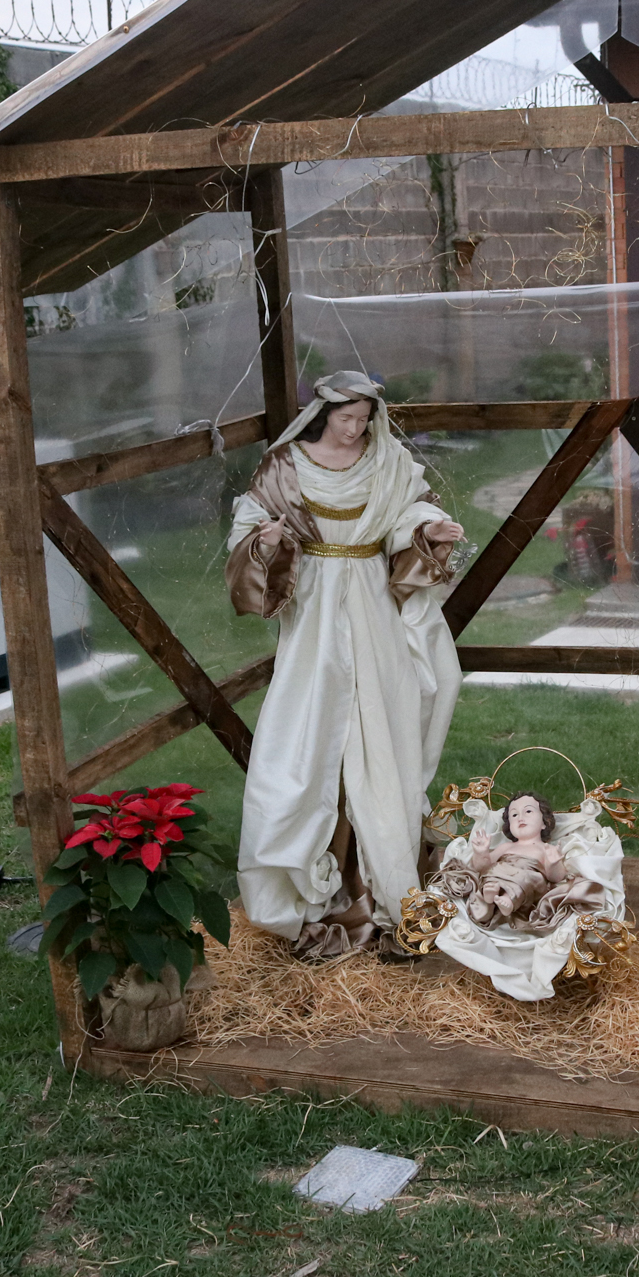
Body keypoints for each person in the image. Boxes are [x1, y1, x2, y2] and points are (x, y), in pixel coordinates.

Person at [225, 371, 466, 957]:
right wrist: (267, 542)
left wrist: (427, 529)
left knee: (381, 728)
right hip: (312, 613)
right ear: (323, 413)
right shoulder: (285, 466)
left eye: (364, 418)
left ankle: (385, 871)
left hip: (372, 605)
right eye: (346, 418)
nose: (357, 428)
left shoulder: (387, 461)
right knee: (307, 735)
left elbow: (405, 516)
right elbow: (246, 532)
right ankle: (310, 881)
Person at [462, 792, 572, 928]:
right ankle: (489, 895)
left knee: (526, 877)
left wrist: (553, 863)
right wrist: (481, 852)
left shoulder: (545, 849)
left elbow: (556, 877)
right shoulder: (506, 847)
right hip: (499, 878)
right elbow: (482, 867)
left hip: (528, 884)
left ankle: (509, 899)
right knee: (492, 870)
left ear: (544, 822)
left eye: (528, 811)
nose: (520, 818)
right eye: (514, 815)